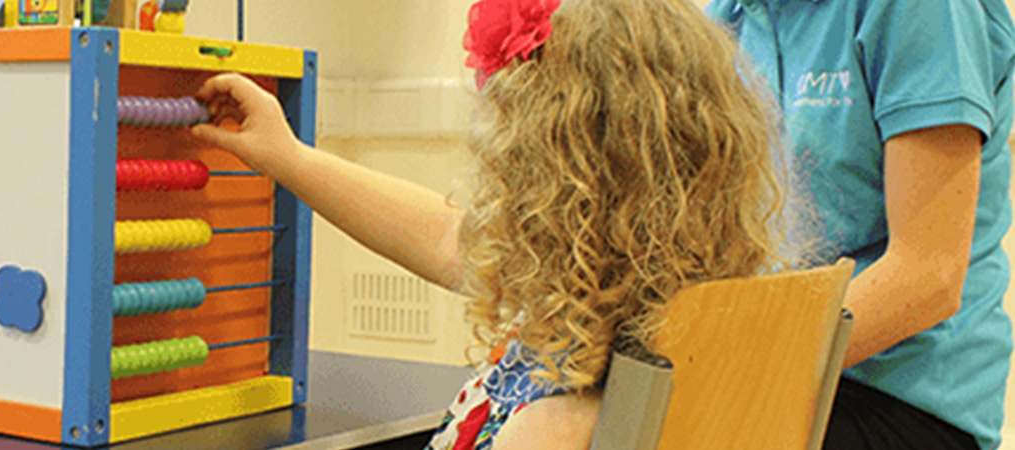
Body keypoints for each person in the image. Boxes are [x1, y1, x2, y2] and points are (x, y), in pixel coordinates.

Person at [190, 0, 800, 448]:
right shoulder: (666, 329)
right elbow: (446, 237)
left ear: (550, 188)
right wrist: (290, 157)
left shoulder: (551, 427)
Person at [705, 0, 1015, 448]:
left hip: (902, 395)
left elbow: (929, 276)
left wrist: (738, 362)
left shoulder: (923, 10)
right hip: (781, 371)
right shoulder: (730, 15)